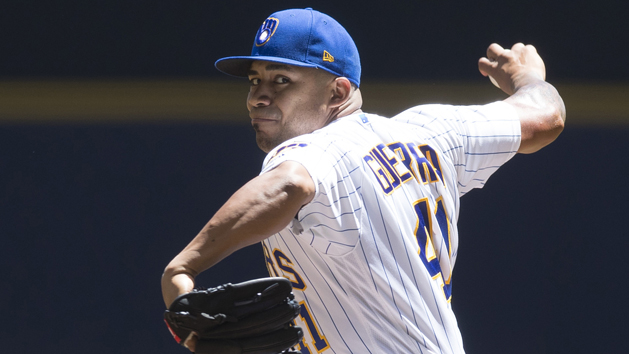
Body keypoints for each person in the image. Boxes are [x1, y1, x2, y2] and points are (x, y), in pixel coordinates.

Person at [161, 7, 565, 354]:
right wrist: (526, 79)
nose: (258, 97)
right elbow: (545, 117)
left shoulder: (313, 150)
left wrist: (184, 265)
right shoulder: (433, 131)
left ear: (338, 92)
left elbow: (291, 182)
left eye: (281, 80)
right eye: (255, 80)